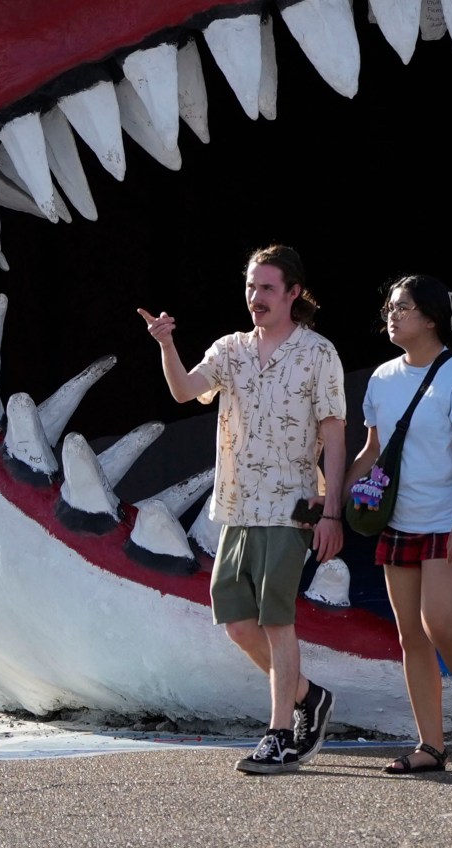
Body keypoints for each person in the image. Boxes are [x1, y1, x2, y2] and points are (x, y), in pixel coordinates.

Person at [139, 244, 347, 775]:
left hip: (289, 505)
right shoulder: (230, 349)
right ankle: (307, 697)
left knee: (277, 620)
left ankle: (279, 733)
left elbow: (334, 434)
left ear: (293, 293)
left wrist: (331, 511)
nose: (256, 297)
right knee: (236, 621)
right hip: (235, 506)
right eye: (251, 287)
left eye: (267, 288)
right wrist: (167, 345)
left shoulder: (318, 353)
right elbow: (186, 390)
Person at [348, 274, 452, 773]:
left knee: (439, 622)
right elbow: (373, 451)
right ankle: (430, 747)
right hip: (400, 521)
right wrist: (332, 497)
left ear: (432, 318)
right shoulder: (382, 378)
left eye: (404, 308)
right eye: (390, 307)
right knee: (410, 635)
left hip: (450, 520)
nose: (392, 316)